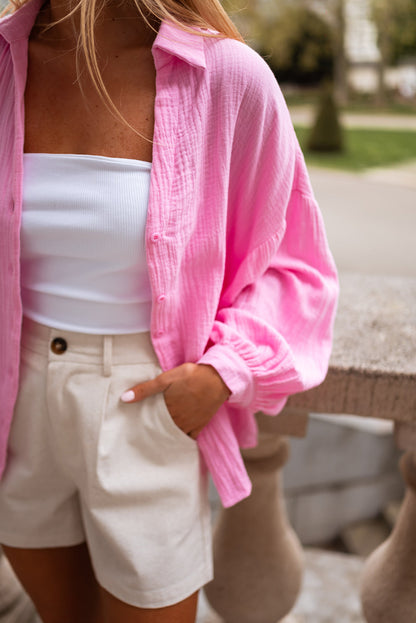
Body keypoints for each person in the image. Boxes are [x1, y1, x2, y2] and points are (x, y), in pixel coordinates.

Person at [0, 0, 339, 621]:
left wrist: (221, 373)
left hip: (146, 404)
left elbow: (298, 268)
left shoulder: (228, 77)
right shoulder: (3, 63)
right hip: (15, 409)